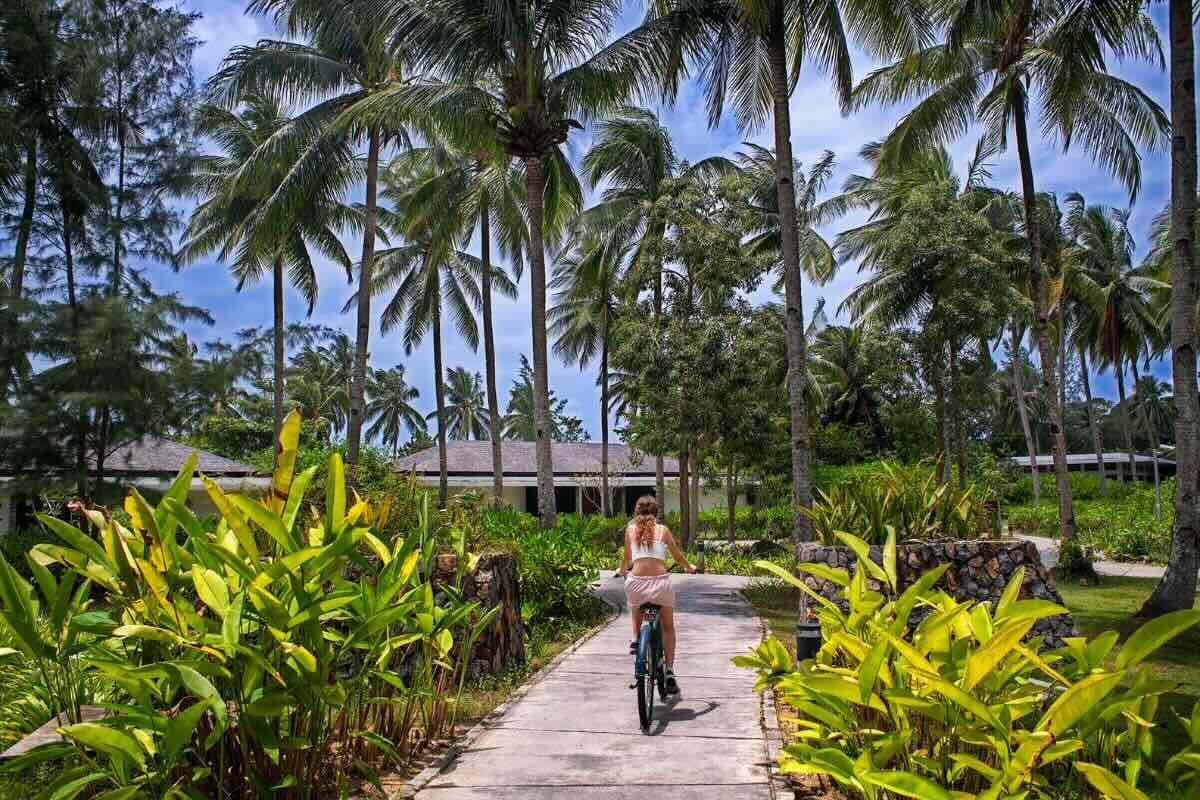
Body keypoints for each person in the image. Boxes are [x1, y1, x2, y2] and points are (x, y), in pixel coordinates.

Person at [616, 494, 696, 694]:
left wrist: (622, 571)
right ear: (656, 513)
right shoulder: (663, 530)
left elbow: (626, 558)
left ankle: (635, 638)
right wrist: (689, 567)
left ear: (636, 512)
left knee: (634, 604)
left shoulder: (630, 530)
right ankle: (669, 670)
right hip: (661, 585)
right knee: (668, 628)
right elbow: (678, 557)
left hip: (637, 586)